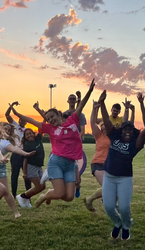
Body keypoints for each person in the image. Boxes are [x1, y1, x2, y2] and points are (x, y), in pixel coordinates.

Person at [11, 79, 95, 208]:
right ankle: (44, 196)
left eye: (52, 117)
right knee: (60, 193)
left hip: (70, 164)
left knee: (69, 197)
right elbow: (32, 120)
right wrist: (17, 113)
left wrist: (89, 91)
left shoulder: (72, 121)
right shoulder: (50, 129)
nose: (50, 120)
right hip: (56, 162)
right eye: (48, 118)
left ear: (60, 115)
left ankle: (49, 193)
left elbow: (81, 105)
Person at [98, 90, 145, 240]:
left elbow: (144, 133)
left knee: (124, 207)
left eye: (130, 129)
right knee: (109, 207)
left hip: (125, 179)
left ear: (133, 132)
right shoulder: (114, 135)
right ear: (121, 130)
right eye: (125, 129)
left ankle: (126, 225)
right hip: (109, 177)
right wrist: (102, 103)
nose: (128, 131)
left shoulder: (135, 145)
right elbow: (107, 120)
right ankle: (117, 223)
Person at [0, 98, 34, 218]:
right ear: (0, 128)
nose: (7, 131)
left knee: (5, 191)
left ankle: (16, 212)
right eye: (5, 128)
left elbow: (15, 150)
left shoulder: (6, 143)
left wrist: (25, 154)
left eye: (9, 130)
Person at [5, 101, 32, 198]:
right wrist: (11, 106)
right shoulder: (15, 126)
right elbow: (7, 115)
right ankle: (13, 195)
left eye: (24, 121)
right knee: (14, 175)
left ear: (26, 122)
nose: (23, 122)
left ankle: (28, 195)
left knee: (27, 176)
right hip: (16, 154)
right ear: (19, 120)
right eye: (21, 120)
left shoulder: (27, 131)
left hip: (25, 154)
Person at [16, 128, 45, 208]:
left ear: (33, 133)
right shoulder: (27, 145)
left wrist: (44, 118)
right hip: (31, 167)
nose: (29, 135)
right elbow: (25, 160)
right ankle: (23, 196)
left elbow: (42, 128)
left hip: (39, 166)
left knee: (43, 186)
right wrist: (25, 173)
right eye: (27, 134)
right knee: (39, 186)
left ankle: (25, 197)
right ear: (25, 137)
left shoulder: (38, 139)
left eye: (30, 133)